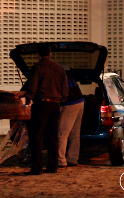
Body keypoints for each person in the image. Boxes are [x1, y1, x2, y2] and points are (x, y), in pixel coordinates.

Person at [24, 43, 69, 175]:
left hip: (41, 104)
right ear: (50, 54)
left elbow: (32, 86)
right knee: (52, 136)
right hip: (55, 104)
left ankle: (37, 167)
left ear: (38, 54)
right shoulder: (59, 68)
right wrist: (62, 99)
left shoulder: (37, 67)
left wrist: (27, 99)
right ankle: (52, 166)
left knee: (37, 136)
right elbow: (65, 88)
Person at [57, 72, 84, 168]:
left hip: (70, 103)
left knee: (62, 134)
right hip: (80, 102)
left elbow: (62, 94)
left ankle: (61, 160)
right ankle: (72, 159)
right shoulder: (67, 77)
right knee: (75, 134)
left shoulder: (58, 78)